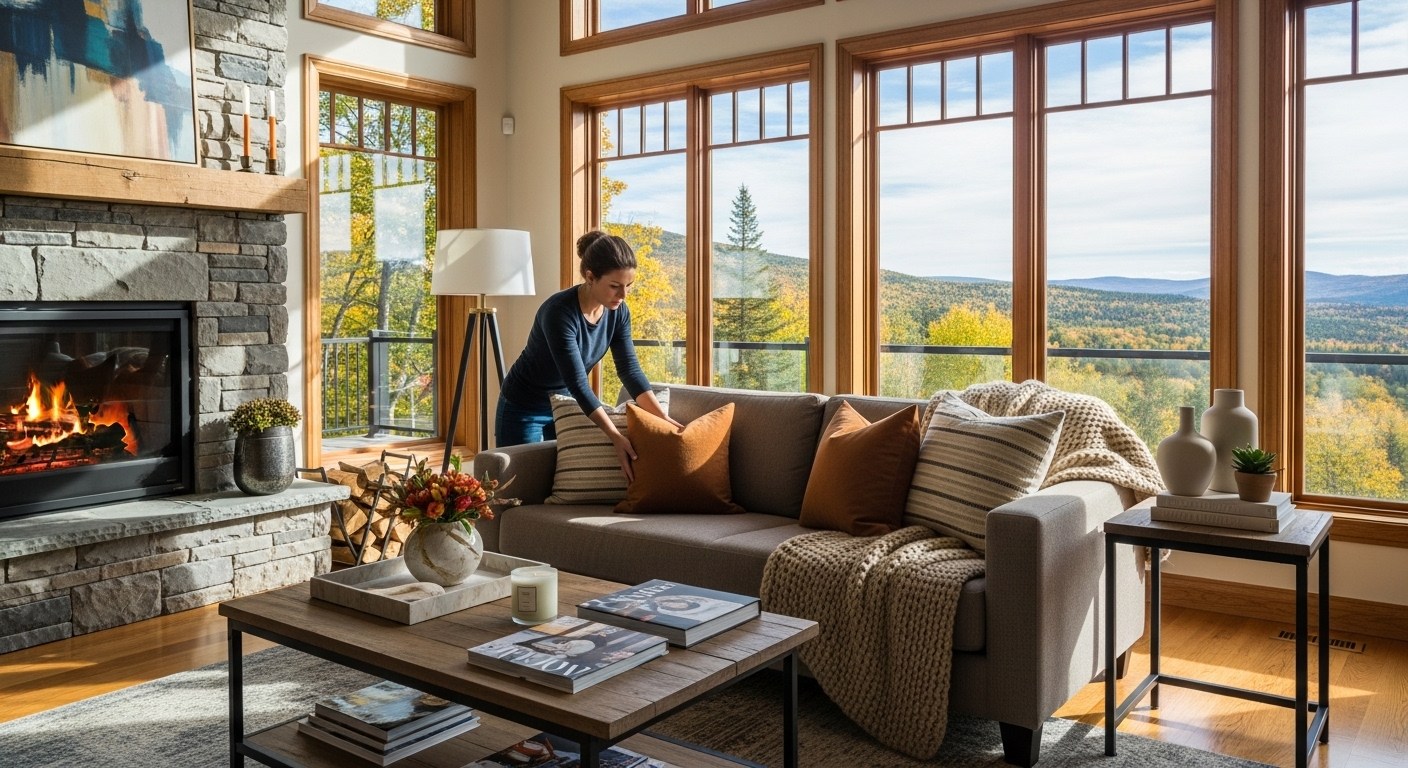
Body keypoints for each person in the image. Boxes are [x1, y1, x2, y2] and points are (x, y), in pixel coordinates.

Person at [496, 231, 677, 480]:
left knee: (561, 482)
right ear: (590, 277)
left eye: (628, 286)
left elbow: (629, 369)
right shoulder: (559, 312)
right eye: (615, 286)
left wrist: (663, 418)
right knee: (517, 484)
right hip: (525, 406)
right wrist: (614, 436)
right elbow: (578, 382)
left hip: (567, 403)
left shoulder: (618, 312)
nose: (623, 295)